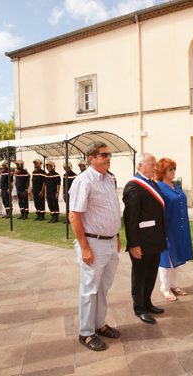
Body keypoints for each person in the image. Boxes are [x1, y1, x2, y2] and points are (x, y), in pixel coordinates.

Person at [68, 141, 122, 352]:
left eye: (109, 154)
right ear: (92, 158)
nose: (108, 158)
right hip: (93, 243)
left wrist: (115, 235)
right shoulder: (84, 181)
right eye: (104, 154)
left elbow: (111, 209)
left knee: (103, 288)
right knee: (89, 290)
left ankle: (99, 324)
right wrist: (85, 248)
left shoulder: (109, 179)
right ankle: (86, 333)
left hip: (110, 241)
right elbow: (75, 216)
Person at [122, 153, 167, 324]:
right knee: (140, 276)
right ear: (140, 166)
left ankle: (147, 303)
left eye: (155, 164)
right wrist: (133, 244)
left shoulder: (152, 184)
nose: (155, 167)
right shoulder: (133, 186)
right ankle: (139, 307)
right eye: (152, 164)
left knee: (151, 274)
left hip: (155, 239)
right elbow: (130, 219)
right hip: (141, 241)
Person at [155, 158, 193, 301]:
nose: (173, 172)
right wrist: (161, 231)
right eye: (170, 169)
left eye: (174, 169)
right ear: (162, 171)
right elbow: (158, 211)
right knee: (166, 259)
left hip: (180, 227)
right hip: (167, 228)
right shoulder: (159, 187)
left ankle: (173, 284)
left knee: (177, 256)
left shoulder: (175, 186)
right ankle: (164, 287)